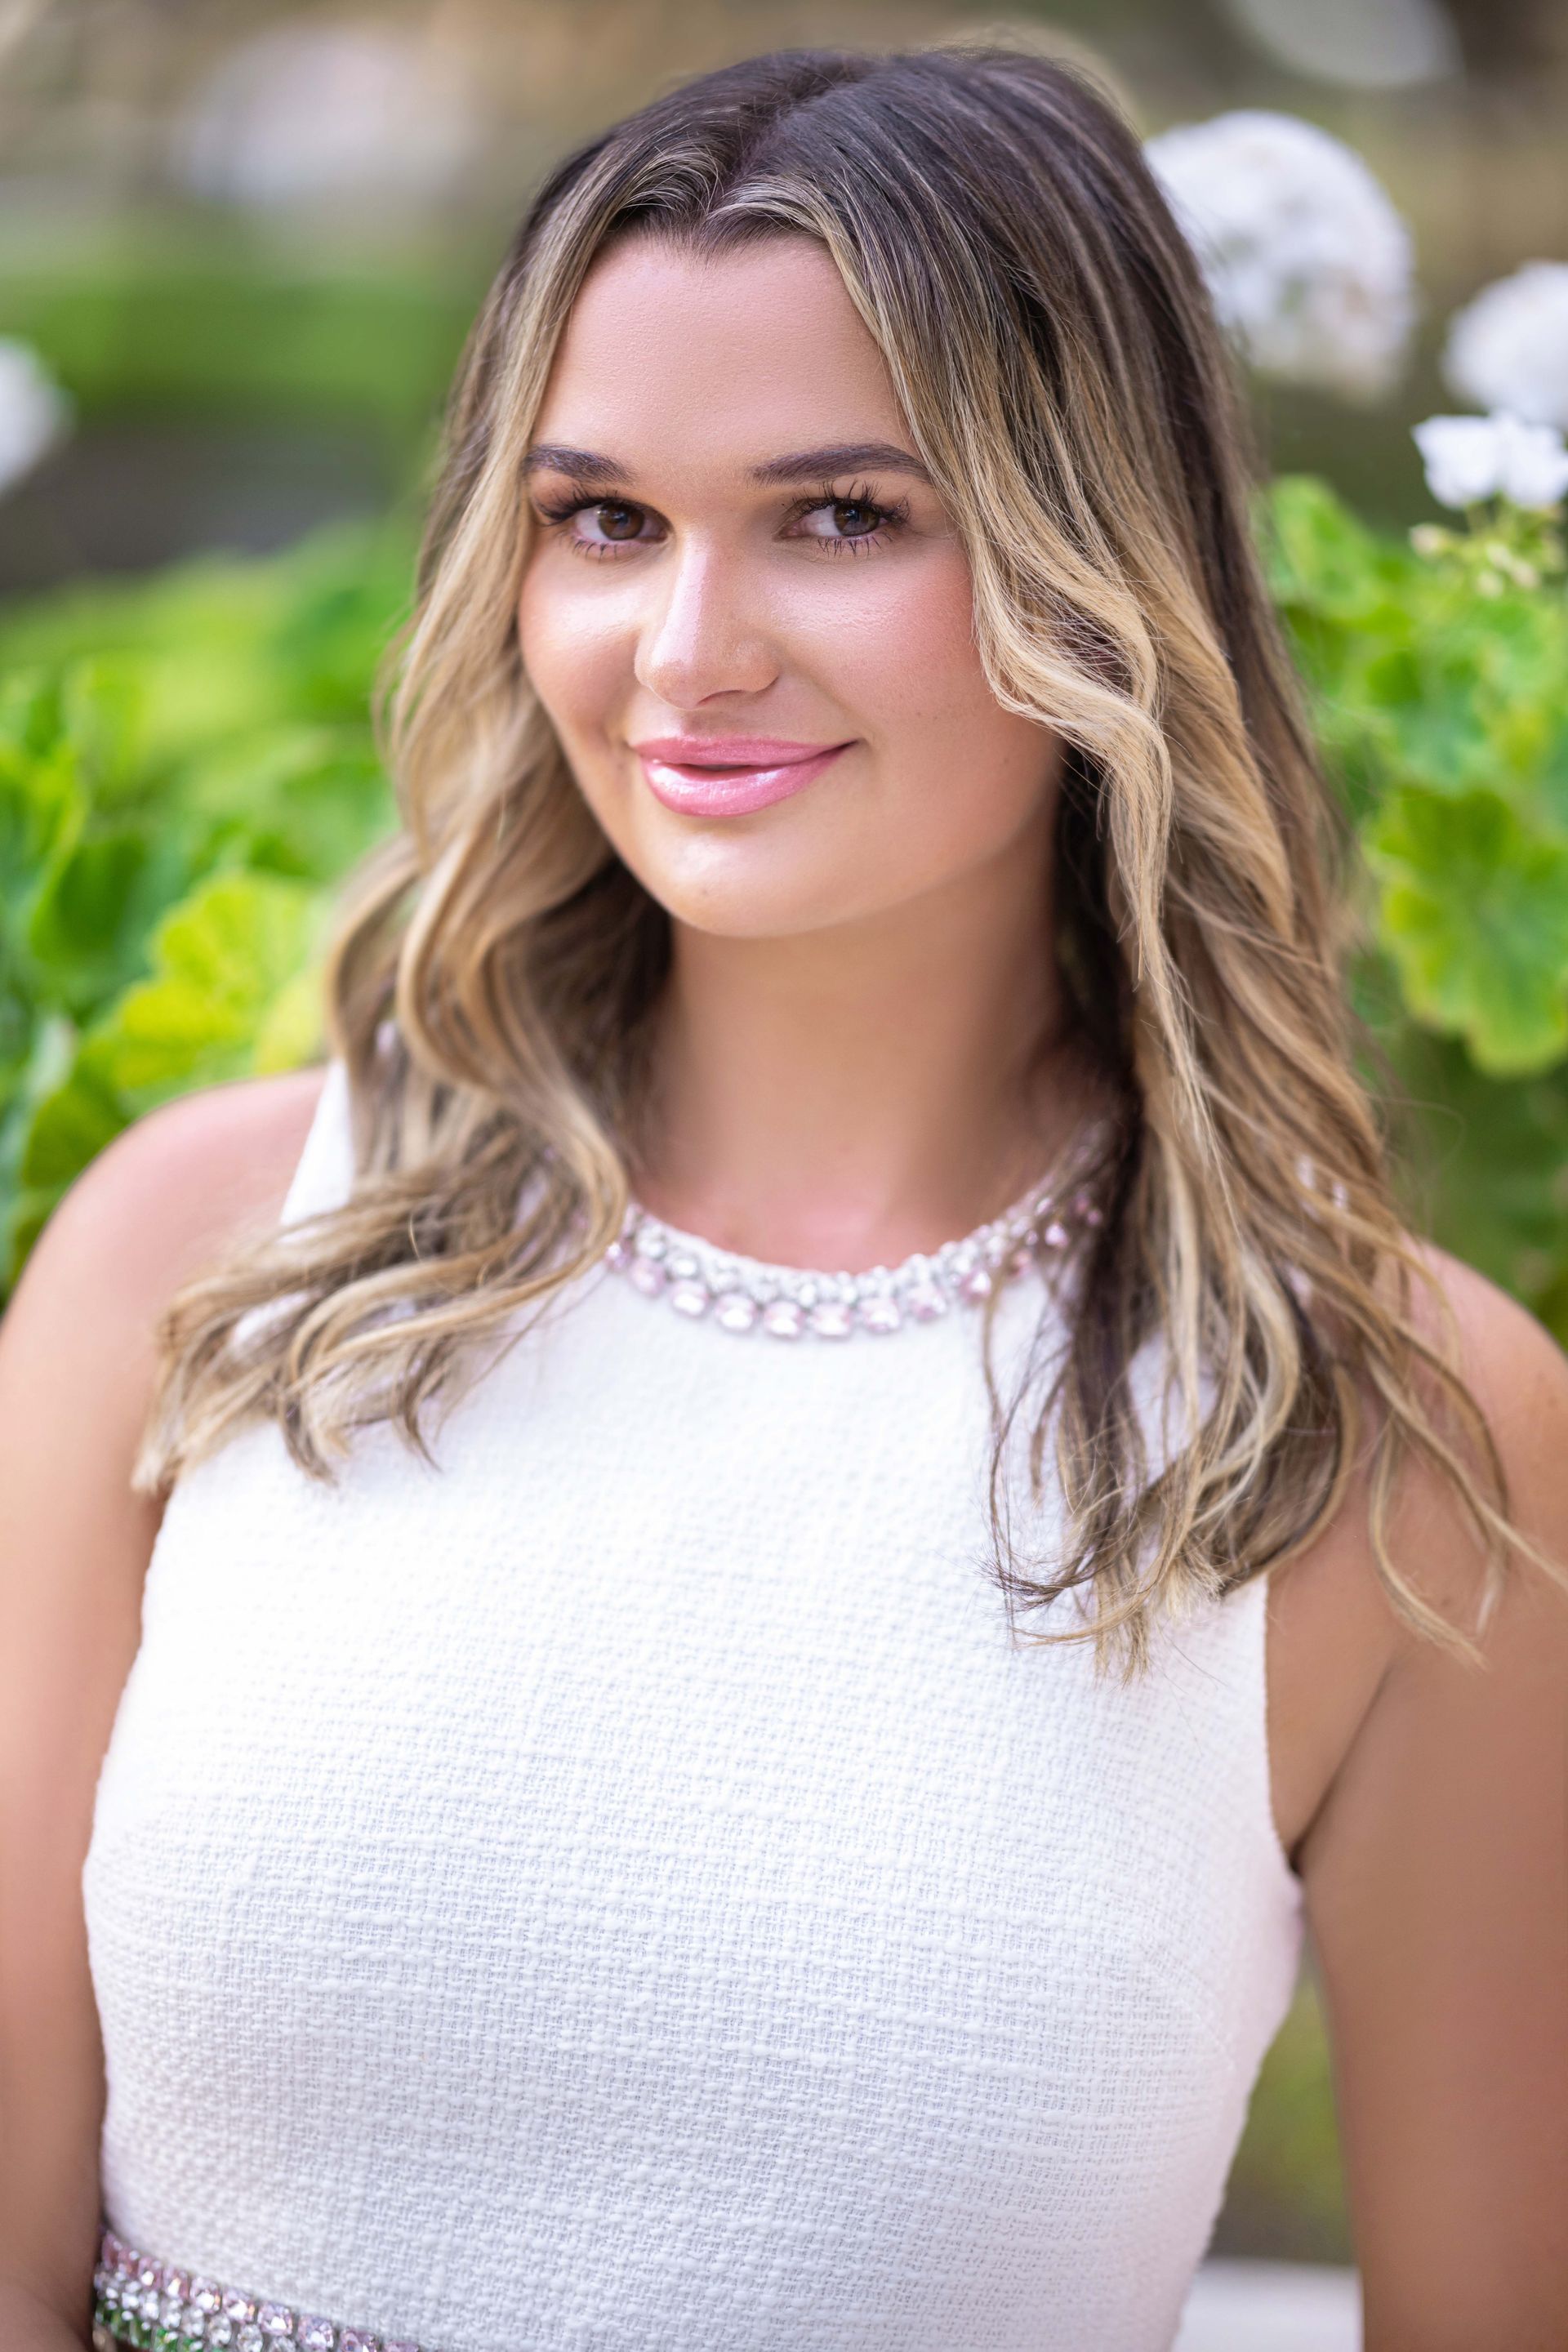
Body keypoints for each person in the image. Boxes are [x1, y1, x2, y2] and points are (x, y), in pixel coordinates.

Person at [2, 43, 1566, 2352]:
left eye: (841, 516)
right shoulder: (201, 1259)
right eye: (602, 519)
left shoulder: (1398, 1427)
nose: (688, 649)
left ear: (1094, 563)